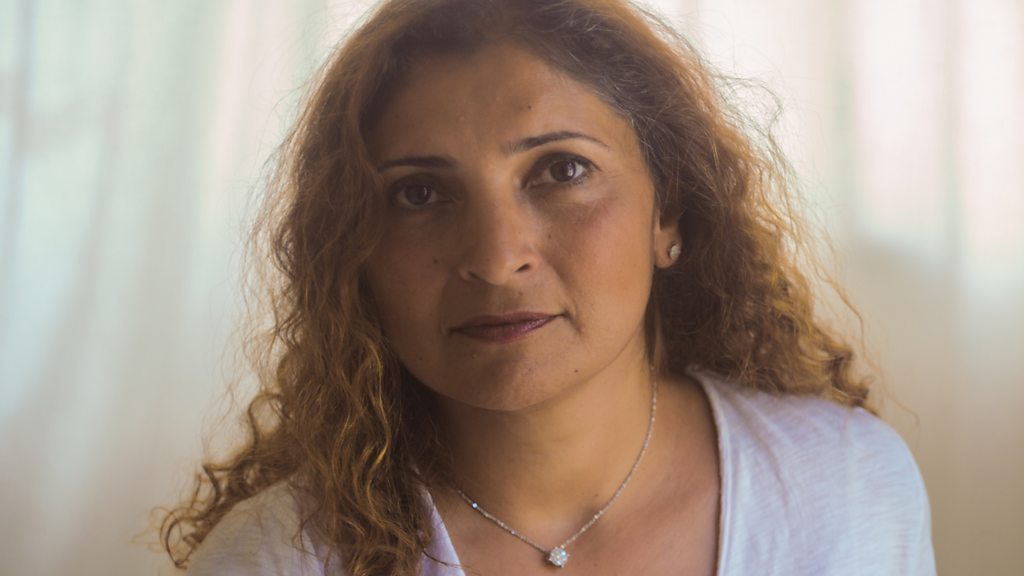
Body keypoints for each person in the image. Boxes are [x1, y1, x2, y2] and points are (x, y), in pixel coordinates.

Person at [160, 0, 936, 574]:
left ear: (668, 211)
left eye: (562, 171)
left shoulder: (847, 489)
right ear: (351, 251)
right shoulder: (273, 560)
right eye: (420, 194)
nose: (497, 259)